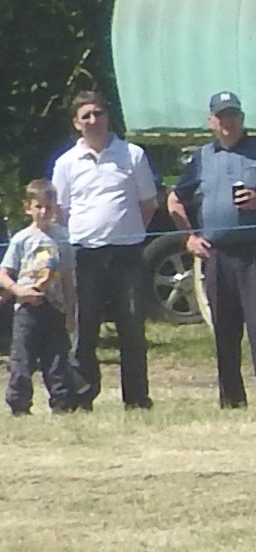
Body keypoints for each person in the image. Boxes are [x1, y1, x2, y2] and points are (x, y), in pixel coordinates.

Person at [172, 90, 256, 410]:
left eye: (234, 115)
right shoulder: (201, 158)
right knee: (224, 331)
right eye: (222, 116)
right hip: (217, 255)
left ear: (242, 119)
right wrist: (189, 237)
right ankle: (231, 399)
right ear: (211, 122)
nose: (228, 122)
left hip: (255, 252)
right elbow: (175, 198)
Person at [48, 91, 159, 410]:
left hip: (127, 254)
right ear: (76, 123)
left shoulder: (132, 155)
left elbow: (148, 204)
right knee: (84, 330)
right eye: (86, 116)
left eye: (98, 113)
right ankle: (82, 397)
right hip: (85, 256)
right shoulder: (66, 163)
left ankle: (137, 399)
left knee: (133, 327)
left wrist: (127, 230)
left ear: (108, 117)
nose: (93, 120)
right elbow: (61, 210)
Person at [5, 179, 79, 414]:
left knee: (57, 358)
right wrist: (18, 290)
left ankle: (62, 403)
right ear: (28, 207)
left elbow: (68, 277)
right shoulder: (21, 239)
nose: (44, 212)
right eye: (38, 207)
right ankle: (19, 404)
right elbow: (4, 273)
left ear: (56, 207)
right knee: (22, 360)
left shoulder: (63, 238)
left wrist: (71, 312)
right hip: (27, 308)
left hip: (55, 307)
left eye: (49, 207)